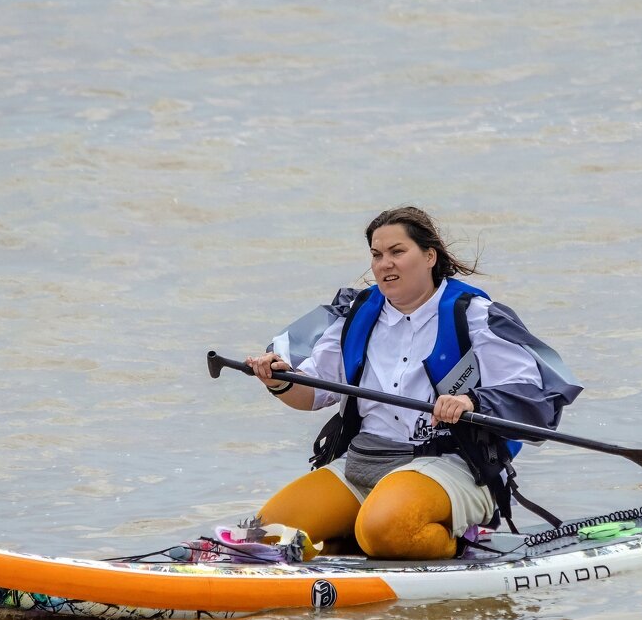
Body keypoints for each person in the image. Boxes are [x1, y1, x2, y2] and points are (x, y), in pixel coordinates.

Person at [245, 206, 582, 560]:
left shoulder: (476, 316)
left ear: (429, 257)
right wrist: (279, 380)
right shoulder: (356, 315)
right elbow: (313, 393)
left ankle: (460, 542)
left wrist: (473, 402)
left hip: (451, 462)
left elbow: (534, 397)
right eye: (376, 255)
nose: (383, 264)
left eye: (397, 252)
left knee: (385, 529)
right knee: (268, 536)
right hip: (365, 459)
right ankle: (360, 541)